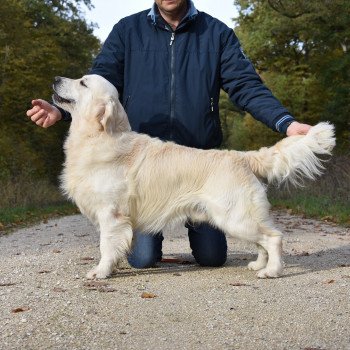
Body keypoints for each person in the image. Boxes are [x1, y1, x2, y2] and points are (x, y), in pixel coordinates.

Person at [27, 0, 312, 269]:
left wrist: (285, 123)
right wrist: (62, 110)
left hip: (201, 165)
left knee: (212, 258)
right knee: (142, 259)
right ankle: (144, 243)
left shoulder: (217, 33)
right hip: (143, 166)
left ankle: (242, 241)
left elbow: (246, 85)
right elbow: (98, 88)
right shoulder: (127, 31)